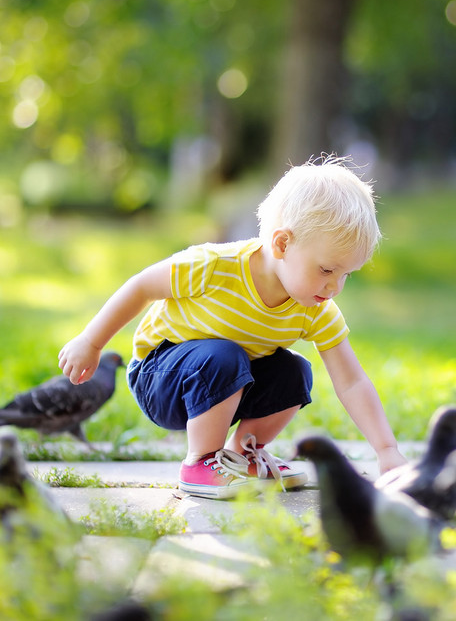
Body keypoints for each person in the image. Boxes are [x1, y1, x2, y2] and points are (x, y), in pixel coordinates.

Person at [58, 156, 406, 499]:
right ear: (282, 244)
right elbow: (141, 286)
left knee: (294, 371)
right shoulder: (214, 267)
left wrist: (386, 448)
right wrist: (92, 341)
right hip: (161, 378)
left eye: (346, 275)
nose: (335, 288)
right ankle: (201, 463)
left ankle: (240, 456)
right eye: (327, 270)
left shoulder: (314, 306)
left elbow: (352, 380)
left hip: (228, 382)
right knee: (225, 355)